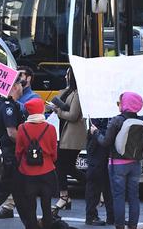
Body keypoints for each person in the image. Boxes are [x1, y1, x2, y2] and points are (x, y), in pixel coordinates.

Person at [90, 92, 143, 229]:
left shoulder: (117, 120)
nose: (119, 105)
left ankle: (120, 226)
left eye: (119, 102)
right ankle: (133, 225)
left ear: (125, 104)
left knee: (118, 197)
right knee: (134, 197)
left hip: (118, 165)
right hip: (135, 164)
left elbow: (105, 142)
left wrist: (96, 132)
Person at [15, 98, 58, 229]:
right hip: (47, 170)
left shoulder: (22, 128)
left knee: (30, 206)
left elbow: (18, 151)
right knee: (46, 205)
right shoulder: (50, 128)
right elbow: (54, 153)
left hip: (27, 172)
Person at [51, 67, 86, 215]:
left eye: (67, 74)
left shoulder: (78, 94)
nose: (65, 76)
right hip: (64, 133)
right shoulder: (68, 91)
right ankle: (94, 186)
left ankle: (64, 196)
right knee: (69, 167)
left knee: (60, 164)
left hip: (72, 136)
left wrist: (58, 111)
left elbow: (73, 115)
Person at [0, 82, 27, 223]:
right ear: (15, 86)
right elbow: (12, 132)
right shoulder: (8, 105)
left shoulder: (6, 103)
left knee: (19, 193)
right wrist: (26, 145)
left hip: (11, 154)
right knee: (3, 190)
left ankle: (30, 223)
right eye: (20, 83)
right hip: (11, 154)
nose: (22, 87)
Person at [84, 117, 113, 226]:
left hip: (97, 149)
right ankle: (92, 216)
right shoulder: (98, 109)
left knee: (104, 184)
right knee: (97, 184)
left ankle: (109, 216)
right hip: (98, 149)